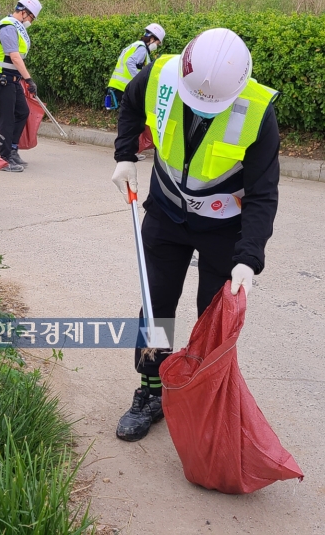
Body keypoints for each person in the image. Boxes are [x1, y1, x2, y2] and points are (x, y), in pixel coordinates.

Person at [110, 28, 280, 442]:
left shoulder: (257, 112)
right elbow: (131, 105)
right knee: (157, 307)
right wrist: (125, 155)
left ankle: (201, 401)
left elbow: (262, 193)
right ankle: (151, 393)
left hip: (224, 227)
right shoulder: (161, 73)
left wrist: (248, 257)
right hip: (167, 213)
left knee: (211, 318)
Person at [0, 0, 42, 172]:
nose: (31, 21)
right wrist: (29, 79)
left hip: (12, 79)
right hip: (1, 79)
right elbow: (14, 56)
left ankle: (13, 148)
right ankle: (4, 157)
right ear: (24, 12)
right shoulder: (7, 27)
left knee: (22, 112)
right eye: (31, 17)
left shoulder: (16, 27)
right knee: (6, 118)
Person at [106, 23, 166, 109]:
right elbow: (129, 62)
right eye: (157, 43)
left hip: (117, 86)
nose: (156, 46)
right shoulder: (142, 49)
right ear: (152, 39)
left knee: (127, 116)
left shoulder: (134, 45)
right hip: (124, 88)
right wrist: (138, 81)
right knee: (134, 116)